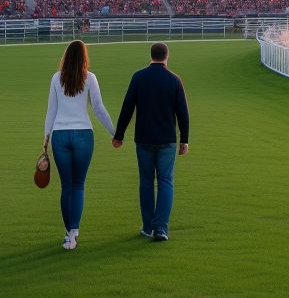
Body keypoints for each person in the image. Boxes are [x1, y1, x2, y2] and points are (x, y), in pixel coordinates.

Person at [112, 42, 189, 241]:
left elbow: (127, 108)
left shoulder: (139, 77)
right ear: (167, 56)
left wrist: (119, 135)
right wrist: (184, 140)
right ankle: (161, 228)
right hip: (167, 140)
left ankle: (147, 227)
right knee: (165, 182)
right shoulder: (174, 80)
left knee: (146, 182)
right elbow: (183, 113)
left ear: (151, 55)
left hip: (144, 139)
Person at [44, 40, 115, 250]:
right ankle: (74, 231)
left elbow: (51, 110)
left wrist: (46, 138)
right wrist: (115, 132)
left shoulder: (57, 78)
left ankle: (68, 234)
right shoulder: (90, 78)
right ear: (84, 57)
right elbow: (99, 109)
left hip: (60, 135)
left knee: (66, 187)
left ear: (66, 56)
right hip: (84, 134)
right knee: (78, 185)